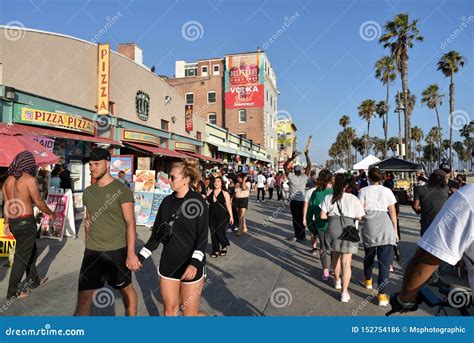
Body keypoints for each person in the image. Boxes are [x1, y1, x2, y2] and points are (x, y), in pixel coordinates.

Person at [138, 159, 208, 316]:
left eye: (172, 177)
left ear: (186, 179)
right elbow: (157, 235)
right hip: (168, 265)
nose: (168, 180)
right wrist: (140, 257)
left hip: (191, 266)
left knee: (189, 314)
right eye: (169, 177)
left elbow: (202, 238)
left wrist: (194, 264)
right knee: (170, 311)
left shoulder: (198, 202)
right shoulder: (166, 202)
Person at [389, 184, 473, 314]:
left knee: (433, 249)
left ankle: (433, 277)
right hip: (444, 229)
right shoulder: (448, 190)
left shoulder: (467, 196)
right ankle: (434, 277)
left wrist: (404, 299)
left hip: (431, 226)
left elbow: (426, 258)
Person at [75, 148, 139, 316]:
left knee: (126, 291)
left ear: (107, 164)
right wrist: (87, 244)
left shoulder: (122, 190)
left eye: (96, 164)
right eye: (90, 165)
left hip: (116, 250)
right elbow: (88, 219)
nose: (92, 168)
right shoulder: (88, 191)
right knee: (84, 296)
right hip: (93, 252)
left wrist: (131, 253)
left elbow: (130, 222)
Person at [3, 151, 55, 300]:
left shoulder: (7, 181)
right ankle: (12, 292)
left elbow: (7, 204)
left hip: (14, 222)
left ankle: (34, 281)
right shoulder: (29, 179)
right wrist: (50, 213)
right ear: (28, 164)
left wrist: (7, 222)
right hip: (26, 223)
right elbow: (38, 201)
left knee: (31, 250)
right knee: (21, 257)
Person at [320, 173, 365, 303]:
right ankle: (344, 293)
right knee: (346, 262)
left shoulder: (329, 197)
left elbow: (323, 216)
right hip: (348, 230)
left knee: (335, 256)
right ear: (346, 185)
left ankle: (337, 280)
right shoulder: (353, 198)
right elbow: (360, 217)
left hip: (332, 229)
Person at [358, 167, 398, 306]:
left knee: (369, 255)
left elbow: (360, 212)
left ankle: (368, 280)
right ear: (381, 178)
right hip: (386, 225)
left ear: (368, 178)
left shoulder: (363, 191)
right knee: (385, 263)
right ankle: (382, 296)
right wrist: (395, 231)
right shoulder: (387, 191)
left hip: (370, 224)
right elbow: (393, 213)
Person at [303, 169, 333, 280]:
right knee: (334, 248)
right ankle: (334, 269)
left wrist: (310, 226)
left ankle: (325, 270)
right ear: (330, 179)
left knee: (323, 248)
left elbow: (310, 210)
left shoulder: (315, 192)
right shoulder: (335, 192)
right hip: (333, 224)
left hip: (320, 224)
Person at [284, 150, 311, 241]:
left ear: (294, 171)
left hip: (294, 202)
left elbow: (285, 166)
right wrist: (307, 156)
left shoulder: (291, 177)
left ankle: (297, 235)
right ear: (301, 171)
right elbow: (309, 167)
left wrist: (292, 158)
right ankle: (302, 235)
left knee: (296, 219)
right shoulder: (304, 177)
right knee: (302, 218)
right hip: (302, 201)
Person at [412, 169, 449, 237]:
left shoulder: (420, 189)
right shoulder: (446, 189)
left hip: (426, 222)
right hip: (441, 223)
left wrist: (421, 210)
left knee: (425, 243)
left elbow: (415, 206)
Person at [207, 176, 234, 258]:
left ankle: (224, 245)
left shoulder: (225, 193)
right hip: (211, 215)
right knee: (213, 233)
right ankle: (215, 250)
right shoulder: (210, 191)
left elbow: (228, 205)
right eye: (215, 181)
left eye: (218, 181)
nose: (216, 183)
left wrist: (231, 217)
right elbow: (206, 202)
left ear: (222, 183)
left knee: (220, 232)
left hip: (222, 216)